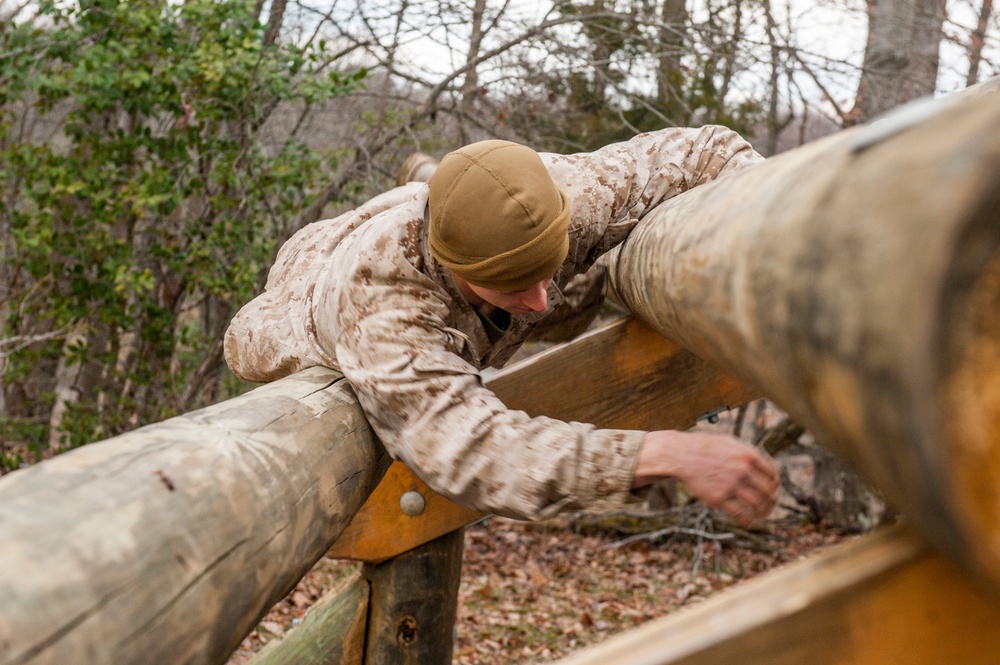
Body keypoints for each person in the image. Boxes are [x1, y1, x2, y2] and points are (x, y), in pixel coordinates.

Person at [224, 127, 779, 526]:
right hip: (305, 287)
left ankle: (433, 179)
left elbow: (706, 150)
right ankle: (429, 181)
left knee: (570, 293)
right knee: (251, 342)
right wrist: (662, 455)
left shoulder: (568, 190)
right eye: (515, 284)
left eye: (542, 272)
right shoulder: (382, 308)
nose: (538, 301)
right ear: (460, 271)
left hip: (439, 228)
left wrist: (769, 231)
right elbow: (476, 451)